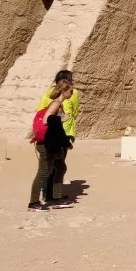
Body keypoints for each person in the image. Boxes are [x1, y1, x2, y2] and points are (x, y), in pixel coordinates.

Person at [35, 70, 80, 204]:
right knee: (57, 166)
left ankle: (47, 193)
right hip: (62, 132)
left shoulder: (48, 93)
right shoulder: (73, 93)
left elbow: (40, 112)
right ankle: (54, 196)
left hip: (50, 133)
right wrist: (64, 121)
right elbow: (75, 112)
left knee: (51, 166)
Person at [28, 87, 73, 211]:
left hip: (54, 144)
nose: (72, 93)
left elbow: (57, 128)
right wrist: (61, 119)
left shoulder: (58, 104)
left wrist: (65, 142)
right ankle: (33, 203)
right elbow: (46, 120)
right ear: (63, 92)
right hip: (46, 145)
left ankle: (57, 198)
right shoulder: (56, 104)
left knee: (60, 167)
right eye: (70, 91)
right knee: (43, 173)